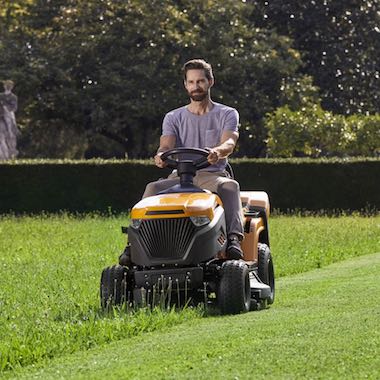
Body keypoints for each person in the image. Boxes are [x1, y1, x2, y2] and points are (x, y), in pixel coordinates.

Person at [143, 59, 244, 259]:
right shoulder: (173, 117)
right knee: (152, 188)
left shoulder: (227, 113)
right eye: (191, 82)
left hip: (211, 174)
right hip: (179, 176)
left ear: (210, 82)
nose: (196, 87)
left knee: (230, 187)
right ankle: (137, 243)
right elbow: (166, 146)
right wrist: (161, 155)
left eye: (200, 81)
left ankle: (234, 240)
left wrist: (218, 151)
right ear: (185, 85)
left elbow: (229, 143)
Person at [0, 79, 19, 159]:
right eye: (6, 85)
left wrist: (6, 108)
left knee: (10, 123)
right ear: (4, 86)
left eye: (9, 85)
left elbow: (14, 108)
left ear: (12, 87)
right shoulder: (1, 95)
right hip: (0, 114)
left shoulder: (13, 97)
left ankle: (11, 132)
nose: (7, 87)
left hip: (8, 113)